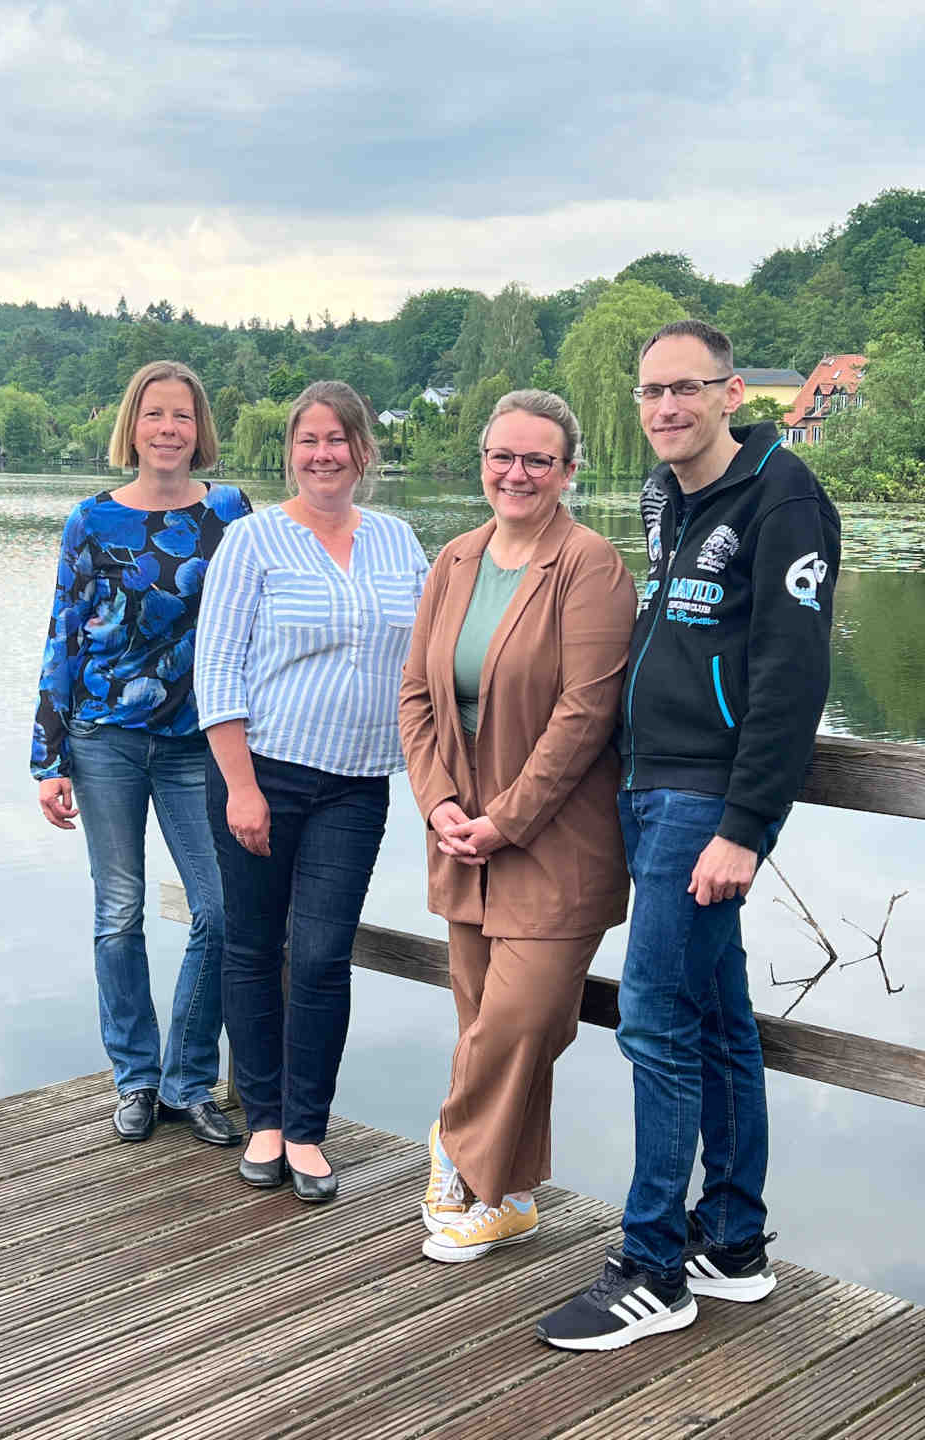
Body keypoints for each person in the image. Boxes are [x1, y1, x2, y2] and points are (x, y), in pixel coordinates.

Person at [537, 321, 841, 1351]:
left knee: (655, 1019)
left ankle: (654, 1265)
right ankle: (736, 1241)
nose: (665, 408)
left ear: (730, 392)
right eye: (650, 391)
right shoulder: (667, 494)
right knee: (715, 1019)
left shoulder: (784, 496)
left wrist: (747, 828)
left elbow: (793, 681)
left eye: (685, 390)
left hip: (706, 804)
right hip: (648, 786)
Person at [398, 389, 637, 1262]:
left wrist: (506, 820)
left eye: (539, 459)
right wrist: (440, 806)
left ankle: (455, 1142)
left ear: (569, 470)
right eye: (504, 455)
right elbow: (418, 695)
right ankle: (506, 1195)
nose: (518, 472)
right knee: (480, 1017)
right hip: (462, 835)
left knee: (526, 1018)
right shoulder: (456, 560)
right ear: (483, 462)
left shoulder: (592, 566)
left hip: (556, 842)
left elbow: (586, 714)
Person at [193, 379, 428, 1203]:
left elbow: (433, 659)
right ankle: (262, 1118)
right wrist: (240, 787)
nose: (323, 455)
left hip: (357, 786)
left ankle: (307, 1129)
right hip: (264, 776)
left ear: (364, 451)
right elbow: (215, 669)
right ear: (290, 452)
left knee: (324, 958)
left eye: (339, 440)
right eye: (308, 441)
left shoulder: (401, 542)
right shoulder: (251, 541)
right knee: (254, 949)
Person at [33, 360, 251, 1146]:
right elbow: (62, 632)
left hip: (198, 742)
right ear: (132, 425)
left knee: (221, 910)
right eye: (155, 414)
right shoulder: (90, 520)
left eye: (183, 416)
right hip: (103, 741)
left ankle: (190, 1080)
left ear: (200, 431)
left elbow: (254, 618)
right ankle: (134, 1079)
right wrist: (47, 759)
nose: (168, 428)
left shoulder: (228, 512)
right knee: (119, 912)